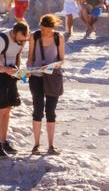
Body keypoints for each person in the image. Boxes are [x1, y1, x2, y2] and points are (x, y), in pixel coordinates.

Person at [0, 21, 30, 157]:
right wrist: (5, 70)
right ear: (13, 32)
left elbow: (17, 57)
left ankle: (4, 141)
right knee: (0, 108)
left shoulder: (21, 41)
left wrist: (20, 72)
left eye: (24, 40)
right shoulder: (0, 40)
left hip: (10, 76)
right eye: (20, 39)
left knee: (8, 108)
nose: (22, 42)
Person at [26, 14, 65, 155]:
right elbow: (30, 57)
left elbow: (61, 60)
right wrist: (28, 70)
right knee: (37, 110)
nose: (44, 32)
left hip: (52, 77)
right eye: (42, 29)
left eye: (47, 30)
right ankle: (36, 145)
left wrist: (52, 66)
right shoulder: (34, 36)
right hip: (36, 77)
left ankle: (51, 145)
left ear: (52, 28)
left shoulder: (58, 37)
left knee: (51, 111)